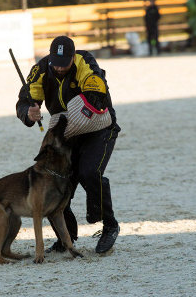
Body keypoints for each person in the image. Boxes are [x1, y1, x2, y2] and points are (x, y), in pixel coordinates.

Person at [16, 36, 121, 254]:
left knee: (89, 172)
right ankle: (67, 237)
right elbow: (25, 100)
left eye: (65, 63)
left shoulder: (86, 63)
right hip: (65, 135)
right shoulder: (41, 69)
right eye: (56, 62)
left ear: (73, 57)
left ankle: (109, 225)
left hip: (98, 128)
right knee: (54, 182)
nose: (60, 68)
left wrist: (68, 115)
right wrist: (29, 111)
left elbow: (96, 96)